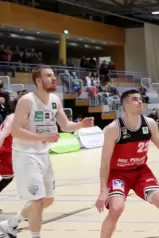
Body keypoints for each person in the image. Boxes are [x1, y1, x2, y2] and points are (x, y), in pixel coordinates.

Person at [0, 66, 94, 238]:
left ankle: (11, 224)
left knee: (48, 200)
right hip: (25, 154)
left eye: (53, 75)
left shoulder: (55, 100)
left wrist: (81, 124)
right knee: (38, 201)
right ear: (38, 80)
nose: (54, 78)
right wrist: (42, 137)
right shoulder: (27, 101)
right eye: (49, 76)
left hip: (43, 154)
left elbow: (65, 126)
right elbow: (15, 131)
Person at [95, 89, 159, 238]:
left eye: (140, 98)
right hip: (118, 174)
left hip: (141, 172)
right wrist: (103, 191)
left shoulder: (149, 123)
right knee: (116, 209)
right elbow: (105, 163)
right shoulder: (113, 129)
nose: (140, 101)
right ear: (125, 105)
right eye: (134, 99)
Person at [0, 95, 26, 213]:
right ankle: (29, 207)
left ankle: (30, 206)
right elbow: (2, 134)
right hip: (6, 150)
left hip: (15, 151)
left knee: (15, 178)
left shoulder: (24, 118)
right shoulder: (13, 118)